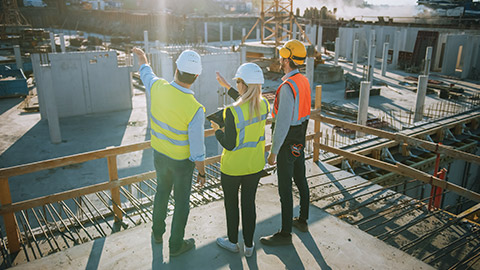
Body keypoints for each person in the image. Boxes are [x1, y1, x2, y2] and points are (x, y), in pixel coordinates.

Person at [133, 47, 206, 257]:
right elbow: (198, 150)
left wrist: (143, 58)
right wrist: (201, 172)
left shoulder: (158, 87)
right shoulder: (195, 108)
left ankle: (157, 233)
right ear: (197, 76)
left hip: (159, 156)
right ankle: (175, 246)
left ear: (176, 69)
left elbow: (146, 73)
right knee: (182, 202)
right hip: (182, 164)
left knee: (161, 192)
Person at [210, 63, 269, 257]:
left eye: (237, 82)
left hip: (232, 168)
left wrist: (217, 131)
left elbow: (229, 144)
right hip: (254, 165)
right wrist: (228, 86)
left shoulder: (231, 112)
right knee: (248, 204)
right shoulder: (264, 105)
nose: (237, 84)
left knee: (231, 205)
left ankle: (233, 242)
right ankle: (250, 246)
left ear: (243, 84)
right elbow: (247, 102)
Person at [260, 39, 311, 246]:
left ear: (288, 59)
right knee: (301, 179)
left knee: (284, 189)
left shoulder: (287, 87)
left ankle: (285, 234)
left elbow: (282, 125)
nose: (280, 59)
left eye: (283, 56)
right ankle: (303, 220)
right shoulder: (303, 81)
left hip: (288, 141)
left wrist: (274, 152)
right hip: (300, 139)